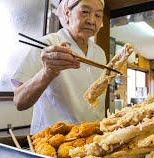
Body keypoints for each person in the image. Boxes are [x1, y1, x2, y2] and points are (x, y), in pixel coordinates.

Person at [11, 0, 129, 134]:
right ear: (67, 13)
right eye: (85, 12)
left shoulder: (99, 53)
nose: (91, 20)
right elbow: (19, 101)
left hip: (91, 138)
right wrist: (47, 72)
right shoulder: (49, 44)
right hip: (53, 141)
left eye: (98, 15)